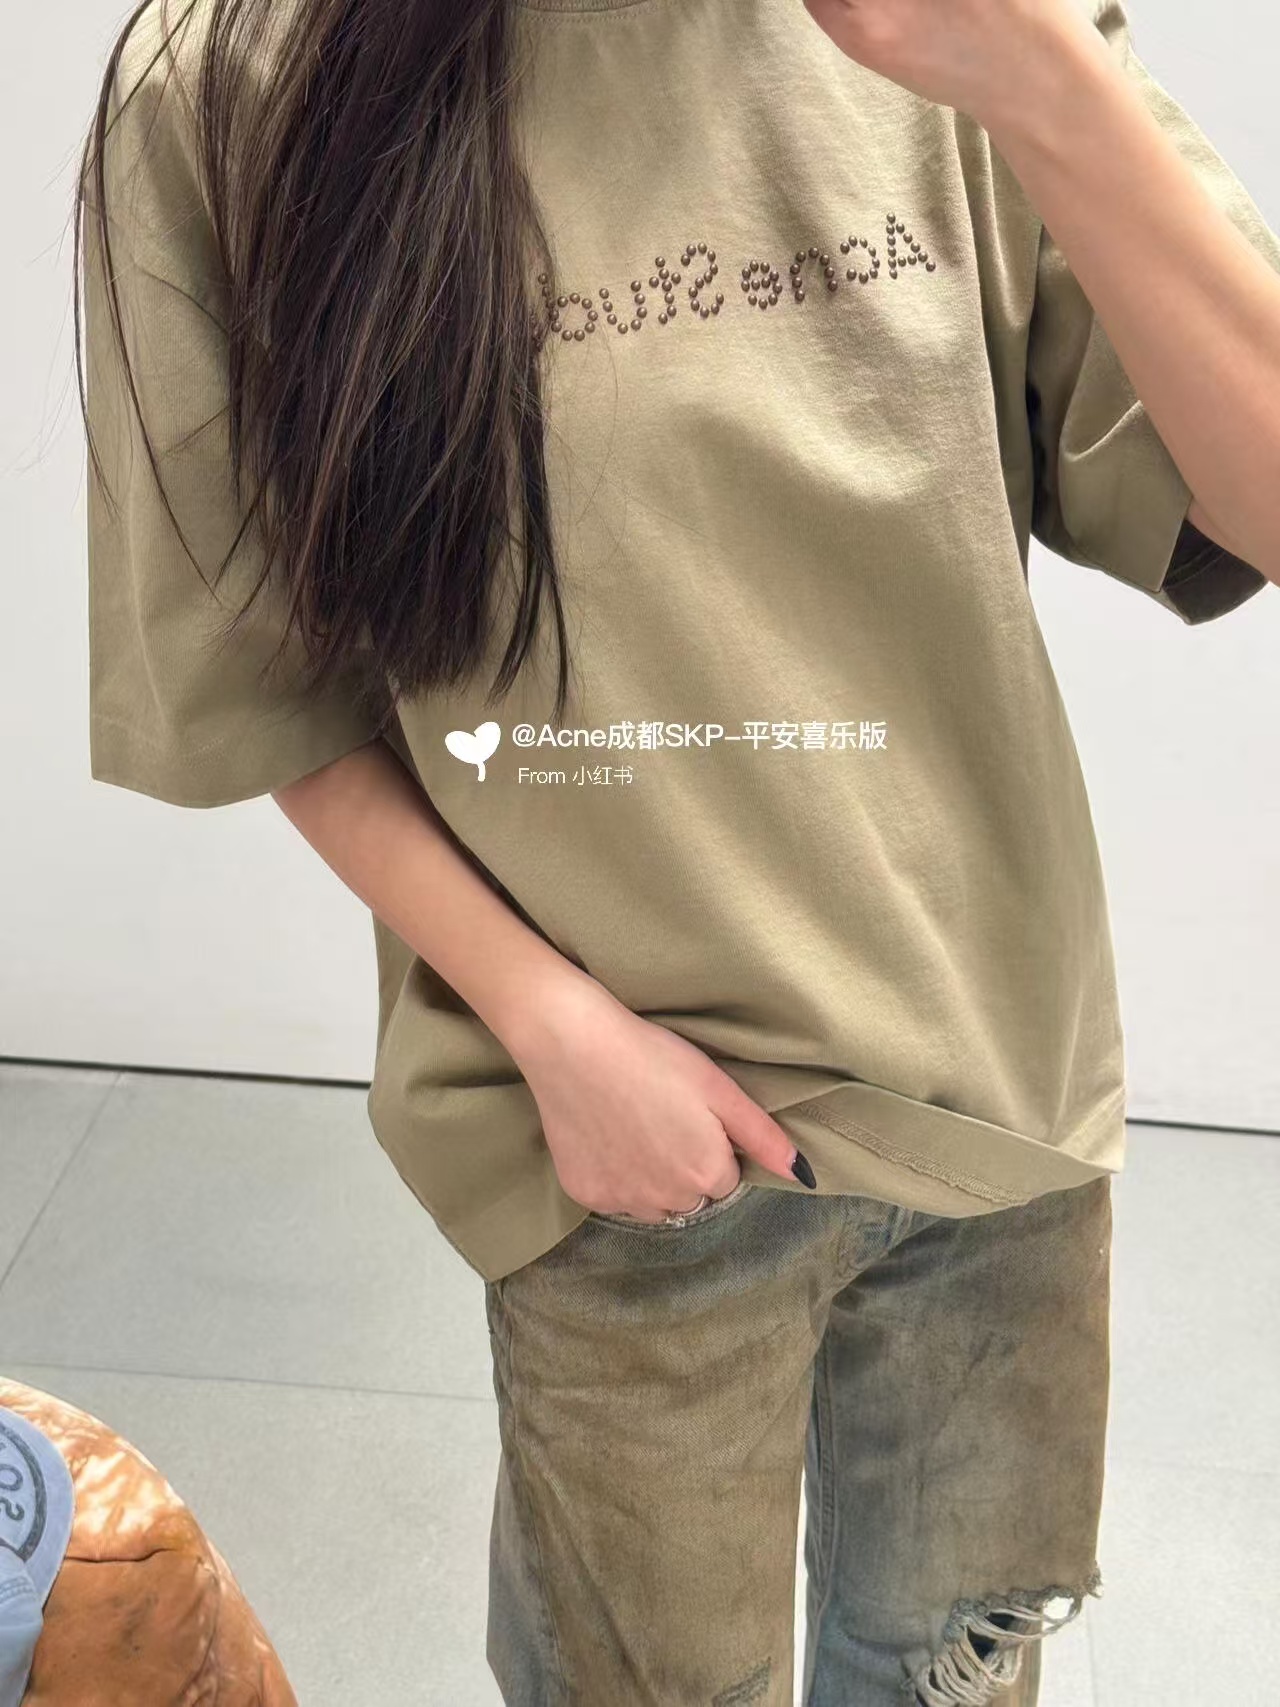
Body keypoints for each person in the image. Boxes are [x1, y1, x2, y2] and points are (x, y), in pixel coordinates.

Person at [74, 0, 1280, 1700]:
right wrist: (552, 1026)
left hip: (1001, 1106)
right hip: (626, 1156)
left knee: (947, 1678)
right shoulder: (229, 81)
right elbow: (267, 684)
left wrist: (1042, 73)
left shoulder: (957, 31)